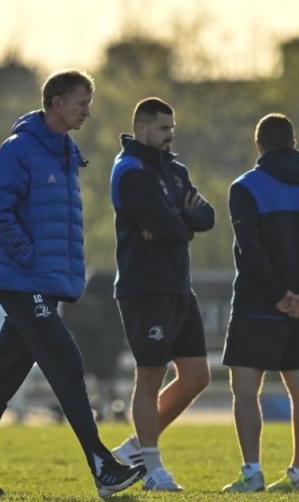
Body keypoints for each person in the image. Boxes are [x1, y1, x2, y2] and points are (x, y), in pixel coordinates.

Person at [0, 70, 145, 499]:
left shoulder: (65, 151)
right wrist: (28, 255)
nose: (88, 111)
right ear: (57, 102)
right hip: (25, 282)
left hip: (43, 284)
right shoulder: (20, 148)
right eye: (81, 102)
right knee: (67, 362)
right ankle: (102, 465)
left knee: (0, 383)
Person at [221, 113, 299, 493]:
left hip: (257, 304)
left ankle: (252, 472)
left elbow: (250, 249)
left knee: (245, 388)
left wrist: (277, 295)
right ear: (293, 143)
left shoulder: (245, 188)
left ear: (259, 146)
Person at [108, 97, 214, 491]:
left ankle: (136, 447)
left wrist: (175, 221)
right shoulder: (129, 171)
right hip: (145, 288)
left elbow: (207, 217)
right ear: (142, 129)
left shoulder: (175, 169)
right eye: (164, 128)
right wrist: (179, 220)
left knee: (197, 375)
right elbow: (166, 222)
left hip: (178, 285)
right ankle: (152, 470)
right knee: (151, 374)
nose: (171, 135)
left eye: (172, 128)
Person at [61, 270, 127, 421]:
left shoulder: (84, 303)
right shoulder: (110, 304)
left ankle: (105, 409)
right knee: (104, 381)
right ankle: (111, 409)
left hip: (96, 349)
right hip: (103, 347)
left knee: (101, 381)